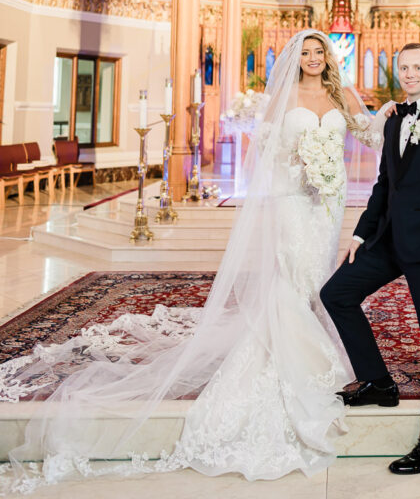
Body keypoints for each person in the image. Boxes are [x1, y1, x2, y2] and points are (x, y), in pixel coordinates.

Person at [0, 31, 389, 491]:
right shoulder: (283, 96)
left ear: (328, 56)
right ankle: (300, 358)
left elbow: (365, 134)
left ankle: (314, 340)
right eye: (304, 52)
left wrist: (387, 115)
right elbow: (264, 151)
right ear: (294, 58)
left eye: (318, 51)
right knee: (292, 275)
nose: (311, 58)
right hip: (291, 200)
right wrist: (298, 163)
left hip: (327, 203)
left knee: (318, 278)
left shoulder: (341, 93)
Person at [321, 42, 420, 476]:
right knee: (336, 293)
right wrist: (361, 233)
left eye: (417, 67)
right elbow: (384, 185)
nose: (409, 73)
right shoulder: (394, 120)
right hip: (389, 239)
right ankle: (377, 381)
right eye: (403, 67)